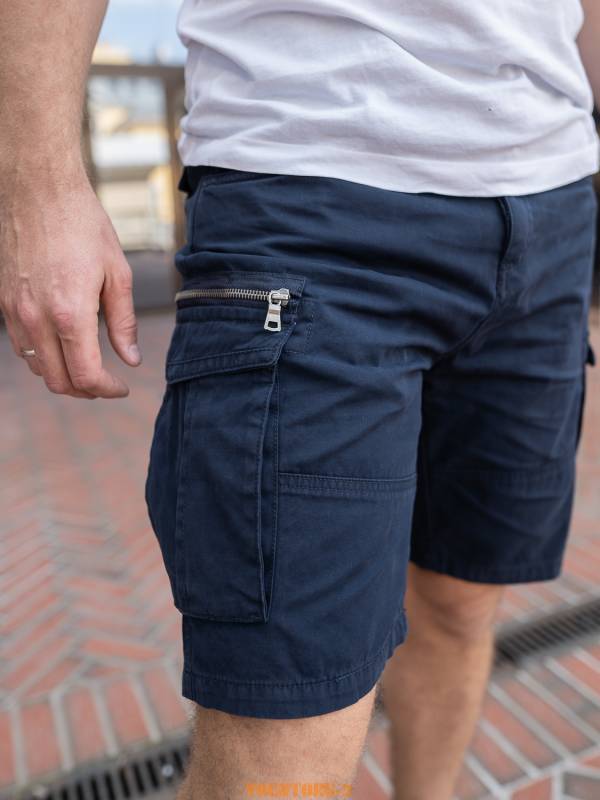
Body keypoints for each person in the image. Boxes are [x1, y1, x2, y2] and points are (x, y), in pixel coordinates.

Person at [1, 2, 599, 798]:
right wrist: (37, 183)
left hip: (551, 206)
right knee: (285, 718)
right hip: (310, 195)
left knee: (461, 602)